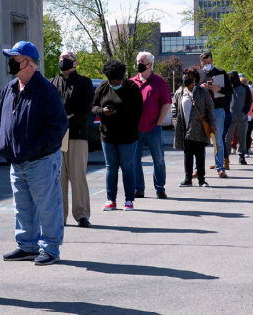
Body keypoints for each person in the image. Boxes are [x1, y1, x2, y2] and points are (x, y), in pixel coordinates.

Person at [0, 41, 68, 265]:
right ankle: (27, 246)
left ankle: (51, 249)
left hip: (41, 160)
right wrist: (3, 144)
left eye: (14, 59)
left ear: (27, 62)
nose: (9, 63)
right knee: (22, 206)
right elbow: (0, 121)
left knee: (48, 206)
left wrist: (35, 147)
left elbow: (58, 126)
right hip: (17, 161)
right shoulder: (9, 88)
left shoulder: (46, 89)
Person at [49, 51, 94, 228]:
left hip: (77, 134)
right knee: (58, 179)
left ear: (75, 63)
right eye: (61, 58)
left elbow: (86, 107)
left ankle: (82, 215)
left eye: (67, 59)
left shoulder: (85, 82)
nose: (63, 61)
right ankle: (60, 215)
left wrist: (66, 120)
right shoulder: (51, 83)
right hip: (57, 138)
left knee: (78, 176)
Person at [92, 59, 143, 211]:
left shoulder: (133, 88)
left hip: (128, 137)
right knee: (111, 168)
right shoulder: (102, 87)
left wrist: (131, 129)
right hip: (108, 136)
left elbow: (138, 112)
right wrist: (103, 112)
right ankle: (111, 200)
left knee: (127, 168)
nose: (114, 84)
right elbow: (93, 106)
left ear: (122, 78)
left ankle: (129, 200)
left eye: (117, 81)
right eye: (112, 81)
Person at [131, 52, 171, 199]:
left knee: (158, 159)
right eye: (138, 61)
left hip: (153, 127)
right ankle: (138, 189)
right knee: (135, 160)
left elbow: (166, 103)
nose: (139, 64)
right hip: (135, 129)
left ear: (150, 65)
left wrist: (159, 123)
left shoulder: (159, 82)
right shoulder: (131, 82)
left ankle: (160, 188)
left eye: (142, 61)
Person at [172, 67, 216, 187]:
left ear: (194, 78)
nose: (185, 78)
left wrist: (212, 124)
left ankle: (201, 179)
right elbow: (174, 107)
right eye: (184, 75)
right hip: (184, 127)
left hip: (199, 127)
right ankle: (188, 179)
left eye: (188, 75)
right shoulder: (180, 91)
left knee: (200, 154)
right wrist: (176, 121)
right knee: (187, 154)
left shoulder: (202, 91)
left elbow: (209, 108)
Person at [198, 51, 233, 178]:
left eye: (209, 62)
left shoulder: (220, 72)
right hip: (201, 111)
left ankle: (220, 168)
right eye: (204, 63)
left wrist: (218, 89)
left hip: (217, 109)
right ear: (201, 62)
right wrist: (199, 87)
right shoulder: (198, 73)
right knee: (200, 141)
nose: (207, 64)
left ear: (212, 60)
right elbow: (191, 90)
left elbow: (230, 91)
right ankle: (198, 169)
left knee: (218, 141)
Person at [224, 71, 252, 165]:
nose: (230, 78)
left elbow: (249, 100)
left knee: (242, 138)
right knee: (227, 139)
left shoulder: (244, 88)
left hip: (241, 118)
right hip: (229, 118)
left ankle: (242, 156)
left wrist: (245, 112)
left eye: (232, 76)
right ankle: (226, 157)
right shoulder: (227, 88)